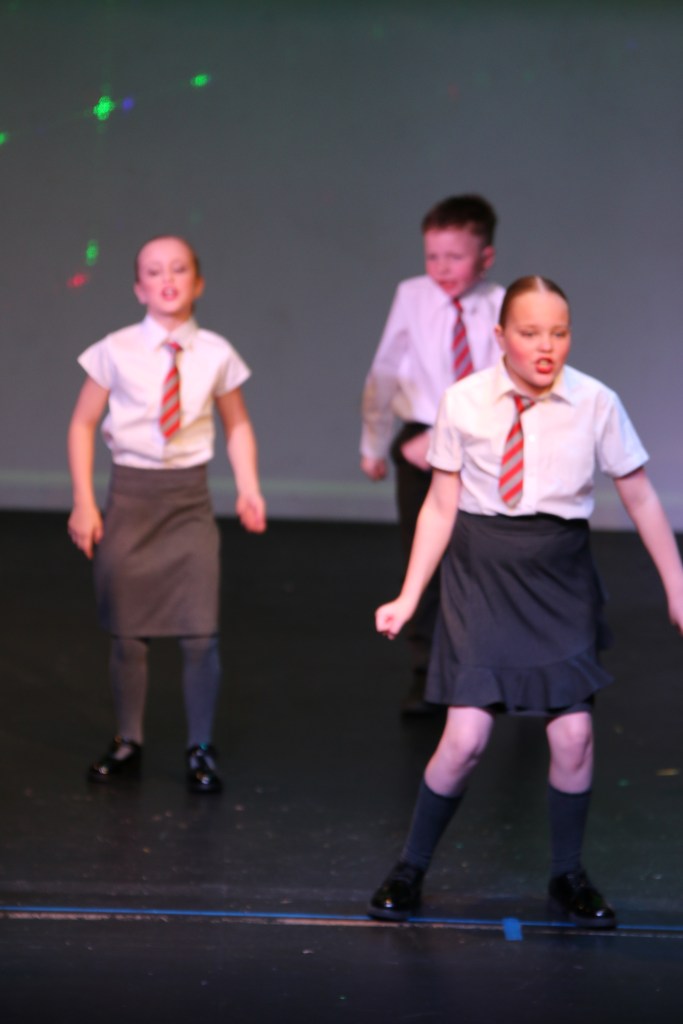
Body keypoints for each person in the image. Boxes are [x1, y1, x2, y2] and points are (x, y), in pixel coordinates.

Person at [367, 275, 683, 927]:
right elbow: (440, 505)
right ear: (501, 336)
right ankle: (410, 866)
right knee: (465, 739)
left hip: (558, 577)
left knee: (573, 736)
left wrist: (676, 584)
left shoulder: (594, 401)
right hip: (482, 574)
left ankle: (567, 875)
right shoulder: (464, 401)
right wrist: (408, 594)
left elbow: (640, 496)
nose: (546, 346)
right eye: (530, 332)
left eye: (558, 333)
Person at [67, 235, 266, 794]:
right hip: (130, 499)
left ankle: (200, 745)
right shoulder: (115, 349)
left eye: (178, 269)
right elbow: (83, 422)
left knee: (200, 632)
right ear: (138, 288)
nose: (167, 280)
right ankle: (128, 739)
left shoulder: (216, 353)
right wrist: (84, 500)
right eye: (154, 272)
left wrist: (248, 487)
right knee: (128, 634)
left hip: (189, 503)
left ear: (197, 283)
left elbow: (237, 424)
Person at [360, 195, 504, 714]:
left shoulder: (500, 302)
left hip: (482, 440)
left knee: (482, 557)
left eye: (456, 257)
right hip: (422, 441)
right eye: (433, 256)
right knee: (422, 555)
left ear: (485, 257)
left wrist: (461, 436)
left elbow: (503, 380)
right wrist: (374, 443)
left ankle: (485, 667)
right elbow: (386, 369)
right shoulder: (412, 295)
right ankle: (426, 674)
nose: (442, 268)